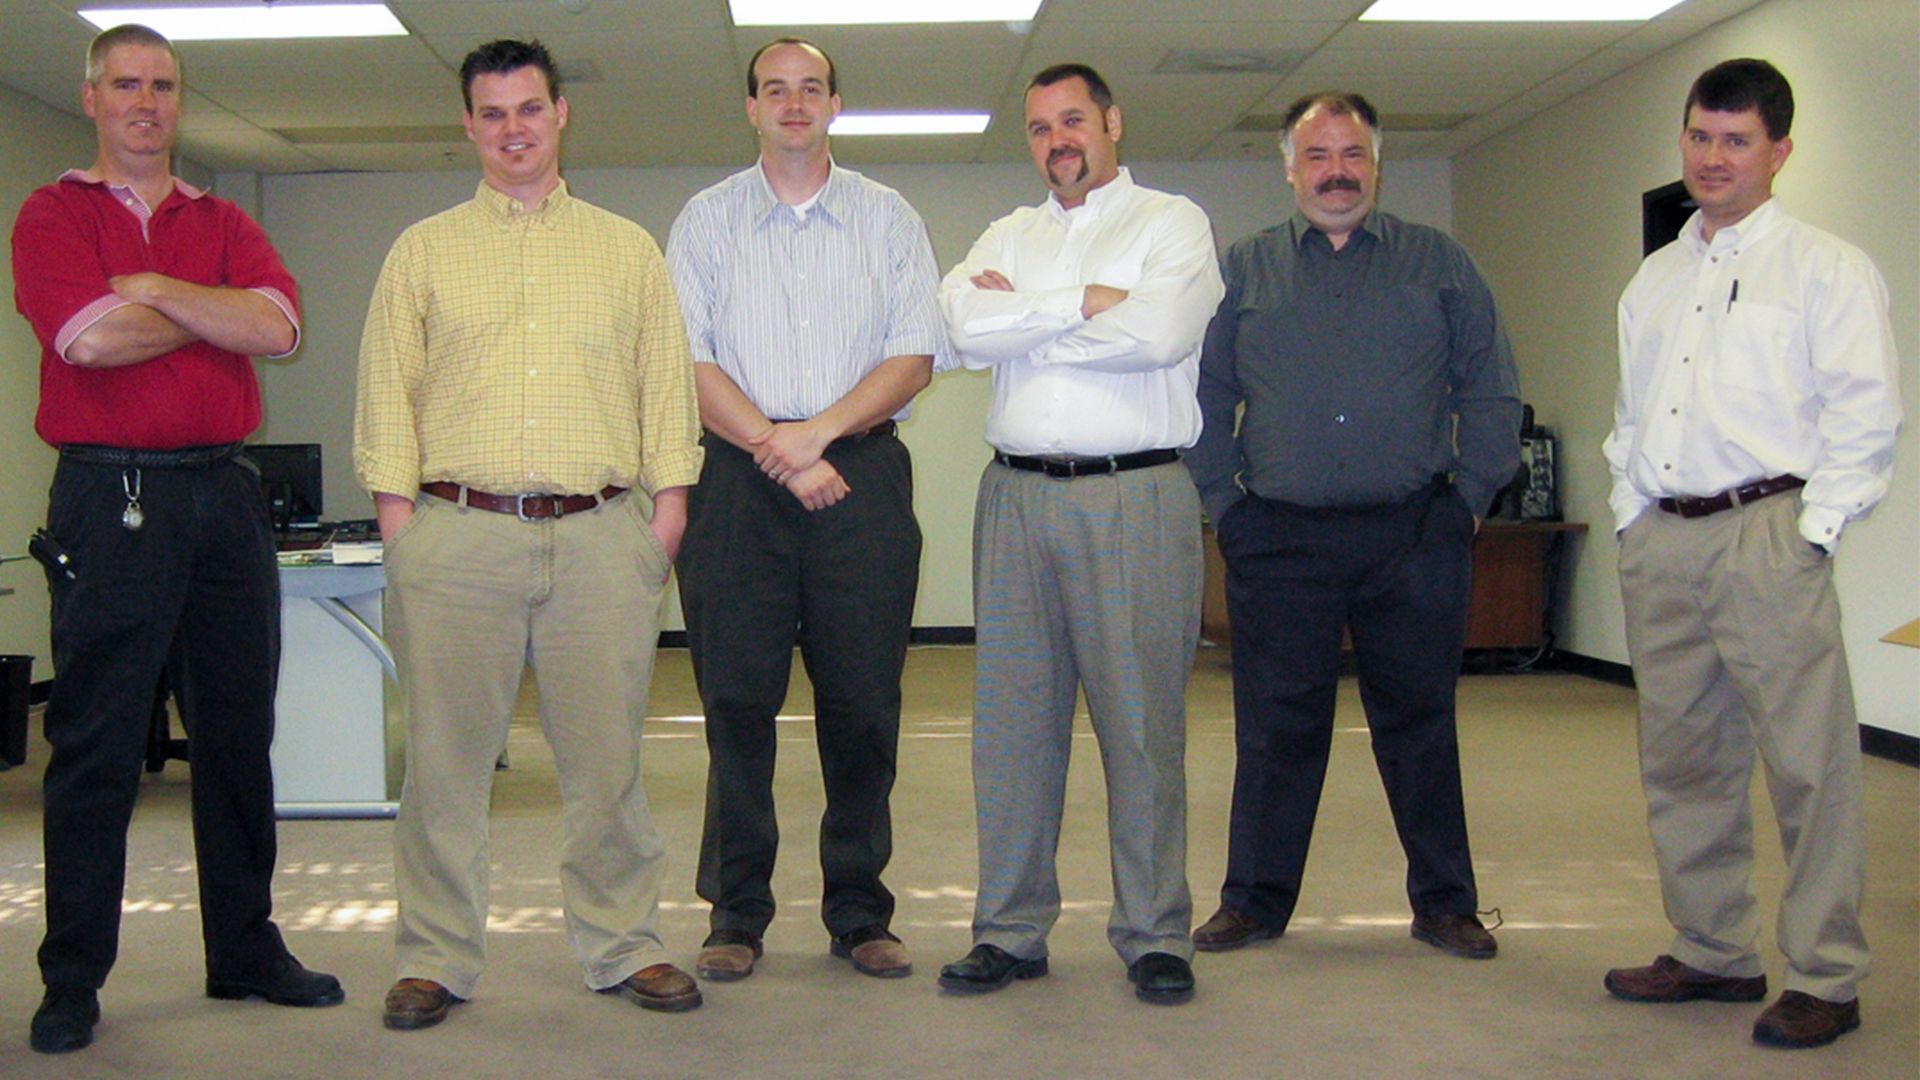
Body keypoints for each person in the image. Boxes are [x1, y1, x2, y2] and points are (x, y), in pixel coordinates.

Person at [354, 38, 705, 1030]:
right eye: (493, 112)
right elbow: (387, 392)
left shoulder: (624, 249)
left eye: (529, 109)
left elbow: (664, 389)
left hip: (601, 537)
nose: (514, 129)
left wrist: (664, 513)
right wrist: (401, 525)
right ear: (469, 125)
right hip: (457, 536)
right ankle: (435, 957)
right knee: (445, 767)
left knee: (607, 766)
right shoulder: (422, 251)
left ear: (561, 116)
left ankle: (623, 943)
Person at [12, 23, 342, 1056]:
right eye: (126, 84)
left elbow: (282, 328)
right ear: (94, 97)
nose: (146, 101)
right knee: (98, 744)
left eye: (163, 85)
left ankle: (243, 947)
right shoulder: (50, 213)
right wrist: (215, 314)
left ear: (179, 99)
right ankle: (72, 978)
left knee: (239, 739)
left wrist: (153, 290)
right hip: (110, 500)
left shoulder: (221, 217)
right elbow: (85, 339)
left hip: (223, 499)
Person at [1600, 58, 1899, 1051]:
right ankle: (1714, 949)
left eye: (1735, 140)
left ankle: (1827, 973)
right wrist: (1629, 508)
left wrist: (1815, 531)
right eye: (1699, 136)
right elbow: (1632, 414)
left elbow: (1867, 418)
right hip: (1666, 539)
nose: (1713, 157)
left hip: (1769, 531)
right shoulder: (1657, 277)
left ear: (1779, 150)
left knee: (1809, 768)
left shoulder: (1826, 268)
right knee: (1683, 760)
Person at [1185, 91, 1521, 961]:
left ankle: (1446, 903)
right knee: (1274, 728)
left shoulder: (1438, 263)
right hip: (1279, 539)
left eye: (1353, 156)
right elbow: (1203, 397)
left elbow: (1491, 386)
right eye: (1318, 156)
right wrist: (1226, 508)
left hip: (1412, 534)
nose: (1336, 173)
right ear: (1290, 170)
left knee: (1419, 721)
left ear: (1376, 163)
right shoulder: (1244, 270)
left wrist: (1468, 502)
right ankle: (1254, 902)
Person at [936, 63, 1223, 1005]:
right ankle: (1010, 932)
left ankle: (1154, 934)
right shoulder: (1008, 233)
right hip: (1014, 499)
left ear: (1111, 121)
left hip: (1132, 497)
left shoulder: (1171, 222)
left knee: (1140, 726)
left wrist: (1024, 319)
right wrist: (1084, 304)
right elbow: (962, 330)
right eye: (1038, 128)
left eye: (1073, 121)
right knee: (1013, 729)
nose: (1057, 140)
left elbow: (1162, 335)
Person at [665, 38, 941, 983]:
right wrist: (776, 450)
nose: (792, 104)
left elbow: (913, 356)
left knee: (863, 704)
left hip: (858, 479)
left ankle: (861, 912)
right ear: (750, 108)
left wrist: (814, 436)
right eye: (773, 90)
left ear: (834, 105)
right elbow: (687, 362)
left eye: (809, 89)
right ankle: (735, 914)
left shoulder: (888, 218)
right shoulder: (705, 221)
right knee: (736, 700)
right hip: (738, 485)